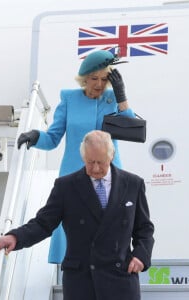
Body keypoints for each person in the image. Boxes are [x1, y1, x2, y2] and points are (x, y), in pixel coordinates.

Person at [0, 130, 154, 300]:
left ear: (112, 155)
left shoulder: (133, 184)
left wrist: (140, 255)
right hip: (81, 282)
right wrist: (15, 237)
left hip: (120, 279)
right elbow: (43, 223)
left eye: (100, 162)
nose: (95, 168)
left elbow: (144, 229)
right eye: (90, 162)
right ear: (83, 157)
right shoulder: (66, 186)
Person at [17, 50, 136, 264]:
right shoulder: (70, 99)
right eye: (94, 79)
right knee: (74, 226)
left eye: (103, 79)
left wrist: (122, 96)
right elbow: (53, 138)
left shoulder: (112, 99)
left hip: (108, 171)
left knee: (109, 222)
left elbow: (131, 129)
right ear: (84, 79)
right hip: (75, 172)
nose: (99, 85)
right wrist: (35, 136)